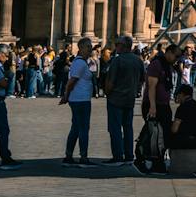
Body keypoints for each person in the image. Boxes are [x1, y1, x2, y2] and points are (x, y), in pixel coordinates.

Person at [102, 35, 144, 166]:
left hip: (116, 99)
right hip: (129, 99)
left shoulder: (117, 60)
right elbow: (143, 78)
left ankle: (118, 156)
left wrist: (107, 92)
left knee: (114, 128)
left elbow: (110, 81)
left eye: (117, 44)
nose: (115, 46)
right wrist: (136, 89)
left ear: (124, 46)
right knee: (128, 128)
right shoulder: (138, 60)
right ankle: (129, 155)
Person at [61, 37, 96, 166]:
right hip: (80, 100)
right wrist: (66, 96)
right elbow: (71, 82)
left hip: (79, 99)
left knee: (76, 128)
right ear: (80, 48)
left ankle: (69, 156)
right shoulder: (80, 63)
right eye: (88, 46)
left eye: (90, 46)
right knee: (83, 129)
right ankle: (83, 157)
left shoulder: (83, 62)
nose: (90, 48)